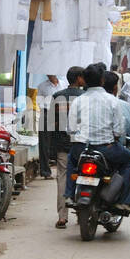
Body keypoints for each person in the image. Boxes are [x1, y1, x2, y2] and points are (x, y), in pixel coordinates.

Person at [66, 64, 130, 214]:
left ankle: (69, 195)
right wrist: (114, 139)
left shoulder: (78, 100)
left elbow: (70, 129)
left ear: (84, 80)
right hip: (106, 149)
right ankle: (123, 201)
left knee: (71, 159)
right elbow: (119, 130)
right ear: (103, 80)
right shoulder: (112, 100)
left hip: (81, 148)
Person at [49, 66, 84, 229]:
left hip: (62, 144)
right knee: (82, 177)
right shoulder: (85, 98)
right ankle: (81, 213)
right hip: (81, 144)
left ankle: (62, 217)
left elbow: (51, 124)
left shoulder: (57, 96)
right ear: (78, 79)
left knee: (62, 178)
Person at [103, 71, 130, 149]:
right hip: (113, 148)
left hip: (87, 148)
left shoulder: (86, 102)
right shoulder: (122, 105)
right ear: (115, 87)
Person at [35, 73, 62, 179]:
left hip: (62, 114)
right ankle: (45, 171)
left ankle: (61, 170)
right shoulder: (42, 86)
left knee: (60, 143)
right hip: (47, 113)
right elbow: (39, 102)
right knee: (44, 144)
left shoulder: (63, 84)